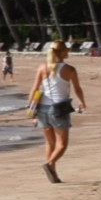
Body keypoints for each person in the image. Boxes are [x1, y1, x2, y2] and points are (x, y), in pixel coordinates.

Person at [29, 42, 84, 182]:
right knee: (62, 144)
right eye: (67, 49)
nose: (68, 51)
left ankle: (52, 174)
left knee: (50, 143)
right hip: (59, 108)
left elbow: (34, 89)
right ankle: (50, 164)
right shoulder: (69, 69)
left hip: (42, 108)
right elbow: (77, 88)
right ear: (62, 52)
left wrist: (30, 109)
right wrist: (82, 101)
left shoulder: (42, 67)